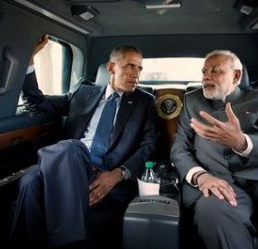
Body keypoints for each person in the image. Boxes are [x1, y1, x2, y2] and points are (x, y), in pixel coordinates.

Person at [9, 35, 160, 249]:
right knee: (35, 175)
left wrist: (118, 174)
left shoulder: (145, 101)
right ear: (111, 67)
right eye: (129, 66)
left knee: (43, 169)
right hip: (70, 163)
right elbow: (37, 104)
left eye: (139, 68)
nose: (136, 74)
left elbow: (150, 146)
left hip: (104, 171)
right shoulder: (83, 92)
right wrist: (29, 61)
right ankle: (66, 239)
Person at [171, 49, 258, 249]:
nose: (206, 76)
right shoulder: (191, 101)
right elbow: (179, 148)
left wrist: (241, 143)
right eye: (204, 71)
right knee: (214, 213)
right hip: (214, 176)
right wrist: (201, 177)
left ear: (236, 75)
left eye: (215, 70)